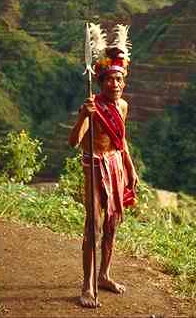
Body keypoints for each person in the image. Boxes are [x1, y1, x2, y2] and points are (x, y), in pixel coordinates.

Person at [68, 24, 138, 308]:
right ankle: (87, 285)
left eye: (120, 79)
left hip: (116, 166)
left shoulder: (122, 107)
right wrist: (83, 116)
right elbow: (74, 142)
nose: (116, 84)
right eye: (111, 80)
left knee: (112, 223)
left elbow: (122, 142)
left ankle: (105, 275)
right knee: (93, 225)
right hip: (94, 167)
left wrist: (130, 169)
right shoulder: (92, 107)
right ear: (101, 82)